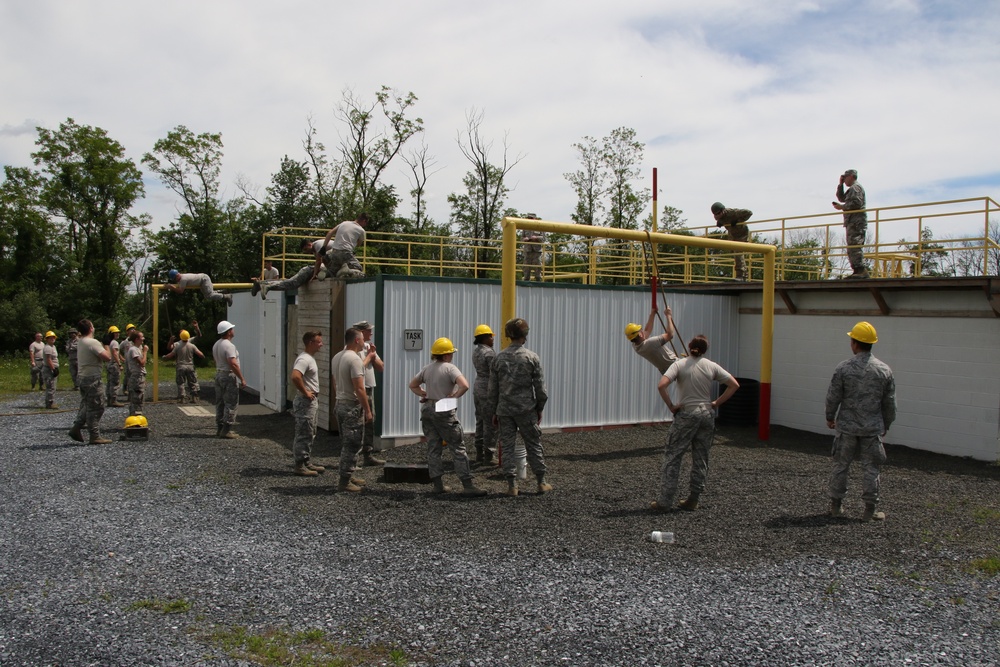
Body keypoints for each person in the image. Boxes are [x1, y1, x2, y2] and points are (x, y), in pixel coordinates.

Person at [651, 335, 739, 513]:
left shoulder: (679, 364)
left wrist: (671, 406)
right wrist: (716, 403)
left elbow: (662, 385)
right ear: (704, 350)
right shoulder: (711, 365)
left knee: (673, 456)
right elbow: (734, 385)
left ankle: (665, 501)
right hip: (706, 414)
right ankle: (693, 499)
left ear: (689, 347)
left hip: (687, 414)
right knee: (701, 457)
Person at [826, 321, 896, 522]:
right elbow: (890, 402)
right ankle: (869, 510)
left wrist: (830, 417)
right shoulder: (884, 370)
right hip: (871, 428)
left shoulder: (844, 368)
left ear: (854, 343)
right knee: (871, 468)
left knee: (841, 465)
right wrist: (886, 424)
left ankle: (836, 507)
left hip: (847, 427)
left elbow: (833, 396)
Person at [409, 337, 487, 496]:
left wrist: (425, 393)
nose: (452, 355)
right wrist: (454, 396)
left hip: (428, 408)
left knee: (433, 447)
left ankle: (438, 485)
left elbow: (413, 385)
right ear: (445, 355)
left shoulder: (427, 368)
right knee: (457, 447)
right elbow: (464, 385)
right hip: (444, 406)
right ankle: (467, 485)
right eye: (450, 353)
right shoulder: (450, 368)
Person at [486, 317, 550, 497]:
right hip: (526, 410)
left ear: (508, 335)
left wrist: (494, 411)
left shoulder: (498, 358)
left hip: (505, 411)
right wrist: (539, 408)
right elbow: (541, 389)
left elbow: (492, 390)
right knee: (533, 444)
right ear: (525, 334)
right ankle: (541, 482)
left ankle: (512, 485)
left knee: (506, 446)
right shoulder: (531, 357)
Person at [330, 328, 373, 493]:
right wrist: (367, 410)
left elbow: (335, 382)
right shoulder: (354, 359)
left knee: (346, 443)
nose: (364, 342)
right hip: (351, 407)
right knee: (353, 444)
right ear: (356, 340)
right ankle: (345, 481)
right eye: (362, 339)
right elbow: (360, 388)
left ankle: (350, 474)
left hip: (340, 403)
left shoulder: (337, 357)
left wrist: (338, 399)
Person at [68, 319, 113, 444]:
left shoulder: (80, 341)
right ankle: (94, 436)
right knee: (97, 407)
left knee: (87, 404)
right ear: (91, 328)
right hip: (92, 378)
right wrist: (107, 345)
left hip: (82, 377)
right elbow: (107, 357)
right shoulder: (92, 342)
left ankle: (76, 427)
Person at [290, 331, 326, 476]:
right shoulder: (304, 359)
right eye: (319, 342)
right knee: (304, 433)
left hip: (311, 401)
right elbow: (295, 376)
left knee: (310, 432)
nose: (321, 344)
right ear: (310, 343)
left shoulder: (309, 358)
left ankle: (306, 461)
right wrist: (306, 392)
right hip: (305, 401)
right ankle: (299, 465)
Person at [252, 238, 330, 299]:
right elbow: (319, 262)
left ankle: (264, 284)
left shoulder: (319, 245)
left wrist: (315, 274)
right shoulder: (319, 246)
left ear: (309, 244)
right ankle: (267, 285)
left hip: (311, 270)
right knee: (292, 283)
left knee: (291, 282)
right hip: (309, 270)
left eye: (306, 249)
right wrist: (314, 274)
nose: (307, 253)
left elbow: (319, 261)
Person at [353, 320, 385, 466]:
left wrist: (372, 355)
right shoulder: (353, 349)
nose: (371, 333)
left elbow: (381, 367)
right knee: (358, 422)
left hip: (369, 388)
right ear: (361, 332)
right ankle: (354, 457)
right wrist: (369, 357)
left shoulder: (367, 347)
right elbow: (359, 367)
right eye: (368, 330)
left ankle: (368, 454)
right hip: (359, 390)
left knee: (370, 420)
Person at [832, 169, 870, 279]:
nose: (844, 180)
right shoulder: (851, 190)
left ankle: (861, 270)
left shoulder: (856, 187)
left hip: (857, 222)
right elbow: (841, 198)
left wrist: (842, 207)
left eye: (846, 177)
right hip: (852, 222)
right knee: (851, 246)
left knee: (855, 245)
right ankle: (856, 270)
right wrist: (840, 184)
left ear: (852, 176)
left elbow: (857, 203)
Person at [212, 320, 245, 439]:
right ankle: (227, 429)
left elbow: (216, 360)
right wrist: (241, 378)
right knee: (231, 402)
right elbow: (233, 363)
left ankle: (219, 428)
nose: (233, 330)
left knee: (220, 402)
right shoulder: (229, 346)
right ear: (229, 332)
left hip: (219, 374)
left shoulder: (216, 344)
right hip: (228, 376)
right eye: (232, 329)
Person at [471, 324, 498, 465]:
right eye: (491, 336)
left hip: (478, 387)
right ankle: (489, 454)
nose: (493, 339)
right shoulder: (489, 353)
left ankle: (479, 454)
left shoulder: (476, 352)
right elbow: (495, 373)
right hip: (488, 389)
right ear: (485, 338)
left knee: (480, 421)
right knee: (491, 423)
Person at [624, 306, 677, 374]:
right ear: (640, 334)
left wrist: (652, 314)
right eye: (641, 330)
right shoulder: (651, 343)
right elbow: (670, 335)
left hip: (667, 371)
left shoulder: (636, 346)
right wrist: (668, 316)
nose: (643, 331)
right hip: (675, 365)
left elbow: (647, 331)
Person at [162, 322, 204, 403]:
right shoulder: (191, 344)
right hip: (190, 365)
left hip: (180, 366)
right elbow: (200, 354)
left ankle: (182, 397)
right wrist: (203, 357)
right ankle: (194, 396)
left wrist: (165, 357)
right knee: (192, 381)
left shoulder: (177, 345)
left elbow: (170, 352)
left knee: (181, 382)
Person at [711, 202, 754, 282]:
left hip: (741, 234)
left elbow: (749, 213)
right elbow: (721, 220)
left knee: (738, 253)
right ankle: (742, 273)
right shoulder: (719, 217)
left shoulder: (733, 212)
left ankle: (741, 275)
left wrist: (737, 220)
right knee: (734, 253)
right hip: (732, 235)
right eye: (715, 214)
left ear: (723, 210)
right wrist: (720, 222)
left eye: (718, 213)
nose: (717, 216)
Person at [318, 213, 368, 279]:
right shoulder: (362, 231)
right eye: (366, 223)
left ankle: (326, 272)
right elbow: (358, 244)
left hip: (334, 252)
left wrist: (324, 247)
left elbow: (330, 233)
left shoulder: (344, 223)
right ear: (364, 221)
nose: (365, 225)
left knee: (333, 271)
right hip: (346, 252)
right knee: (358, 268)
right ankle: (347, 270)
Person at [165, 269, 234, 306]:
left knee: (210, 295)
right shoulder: (182, 278)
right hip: (202, 281)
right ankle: (221, 291)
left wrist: (171, 287)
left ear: (176, 276)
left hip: (203, 280)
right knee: (207, 296)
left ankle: (226, 296)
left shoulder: (183, 279)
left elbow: (180, 291)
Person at [125, 330, 148, 416]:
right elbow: (142, 363)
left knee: (140, 396)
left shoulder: (137, 349)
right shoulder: (133, 350)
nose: (143, 339)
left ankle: (137, 415)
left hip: (140, 376)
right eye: (142, 337)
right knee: (137, 397)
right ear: (137, 339)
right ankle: (135, 416)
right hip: (137, 376)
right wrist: (145, 352)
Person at [103, 326, 124, 408]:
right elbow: (115, 353)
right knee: (115, 382)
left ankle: (109, 400)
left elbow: (116, 353)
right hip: (114, 364)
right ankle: (114, 400)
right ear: (112, 334)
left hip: (109, 364)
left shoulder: (108, 343)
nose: (118, 334)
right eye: (115, 332)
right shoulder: (114, 342)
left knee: (110, 382)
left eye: (118, 332)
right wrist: (119, 364)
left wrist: (121, 358)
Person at [42, 331, 59, 409]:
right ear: (47, 339)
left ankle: (51, 402)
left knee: (53, 386)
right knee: (50, 386)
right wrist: (53, 369)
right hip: (49, 369)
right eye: (50, 338)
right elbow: (49, 360)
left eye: (53, 337)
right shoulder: (48, 347)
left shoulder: (53, 346)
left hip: (52, 368)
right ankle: (49, 403)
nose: (52, 339)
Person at [118, 323, 136, 400]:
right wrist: (121, 358)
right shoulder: (125, 342)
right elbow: (117, 350)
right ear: (127, 331)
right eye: (131, 329)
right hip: (128, 362)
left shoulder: (135, 340)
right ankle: (126, 389)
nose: (133, 330)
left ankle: (132, 390)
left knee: (133, 376)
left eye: (134, 329)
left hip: (135, 361)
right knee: (128, 376)